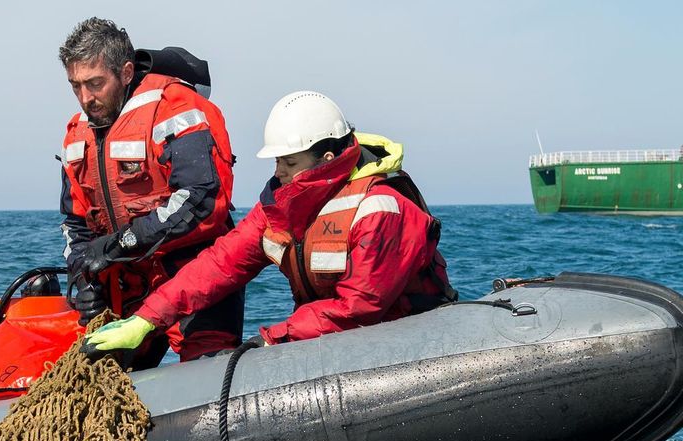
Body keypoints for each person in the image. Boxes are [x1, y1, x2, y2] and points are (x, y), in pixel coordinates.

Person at [85, 91, 456, 356]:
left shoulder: (380, 209)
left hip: (405, 342)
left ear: (326, 158)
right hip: (329, 340)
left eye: (289, 164)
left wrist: (272, 338)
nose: (278, 173)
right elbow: (219, 265)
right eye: (277, 162)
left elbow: (360, 308)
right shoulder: (279, 208)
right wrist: (147, 319)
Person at [57, 17, 243, 366]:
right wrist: (84, 279)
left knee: (209, 374)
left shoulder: (174, 108)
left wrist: (118, 245)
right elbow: (76, 222)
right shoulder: (75, 135)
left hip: (193, 273)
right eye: (76, 86)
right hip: (126, 286)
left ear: (126, 73)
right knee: (100, 377)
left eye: (95, 84)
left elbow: (200, 198)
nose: (86, 98)